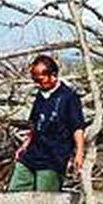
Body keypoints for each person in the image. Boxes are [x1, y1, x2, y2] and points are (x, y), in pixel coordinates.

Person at [8, 54, 86, 192]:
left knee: (43, 199)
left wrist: (79, 152)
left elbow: (77, 127)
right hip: (33, 153)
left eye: (40, 80)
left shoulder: (69, 97)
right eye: (35, 80)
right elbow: (35, 123)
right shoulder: (41, 95)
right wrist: (25, 145)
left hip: (53, 158)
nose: (37, 84)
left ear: (53, 75)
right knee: (16, 190)